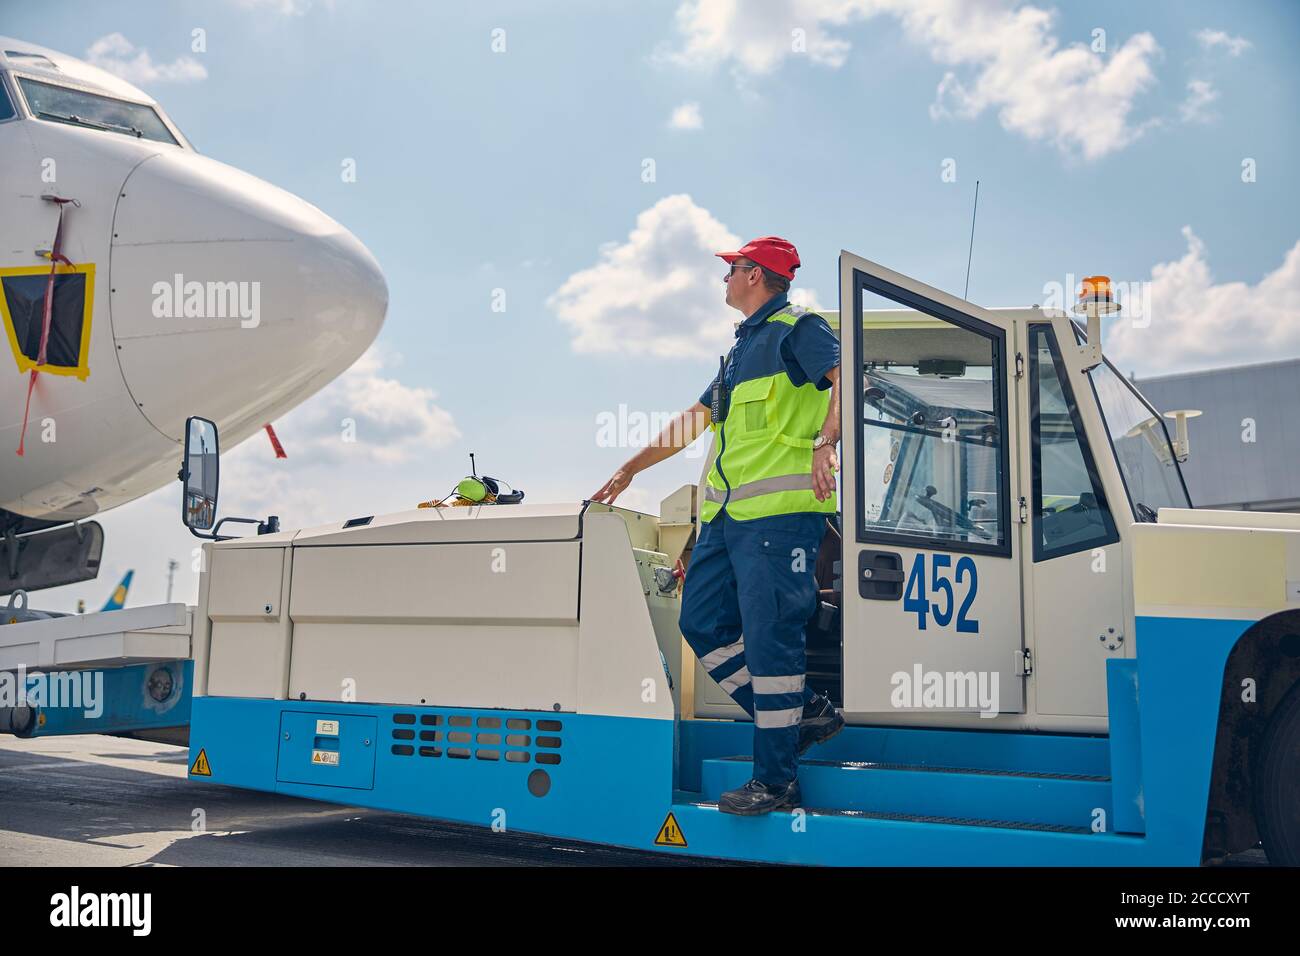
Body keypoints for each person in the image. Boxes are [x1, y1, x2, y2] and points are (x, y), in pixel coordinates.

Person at [591, 235, 845, 815]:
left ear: (756, 275)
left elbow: (849, 381)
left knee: (770, 641)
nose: (723, 279)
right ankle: (801, 713)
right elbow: (695, 420)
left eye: (731, 269)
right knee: (700, 620)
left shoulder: (799, 328)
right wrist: (630, 468)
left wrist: (825, 443)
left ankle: (776, 780)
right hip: (727, 520)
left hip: (779, 521)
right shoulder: (739, 351)